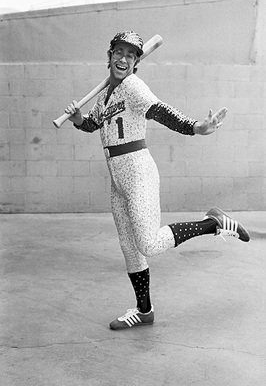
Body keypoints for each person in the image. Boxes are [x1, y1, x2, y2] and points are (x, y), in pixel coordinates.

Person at [65, 30, 250, 330]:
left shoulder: (133, 86)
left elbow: (161, 111)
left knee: (148, 244)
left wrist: (195, 127)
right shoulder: (105, 95)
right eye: (119, 52)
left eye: (131, 55)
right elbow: (92, 124)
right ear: (110, 56)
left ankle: (212, 224)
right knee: (129, 248)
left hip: (138, 172)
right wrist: (77, 119)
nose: (123, 59)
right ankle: (144, 310)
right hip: (117, 180)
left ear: (136, 62)